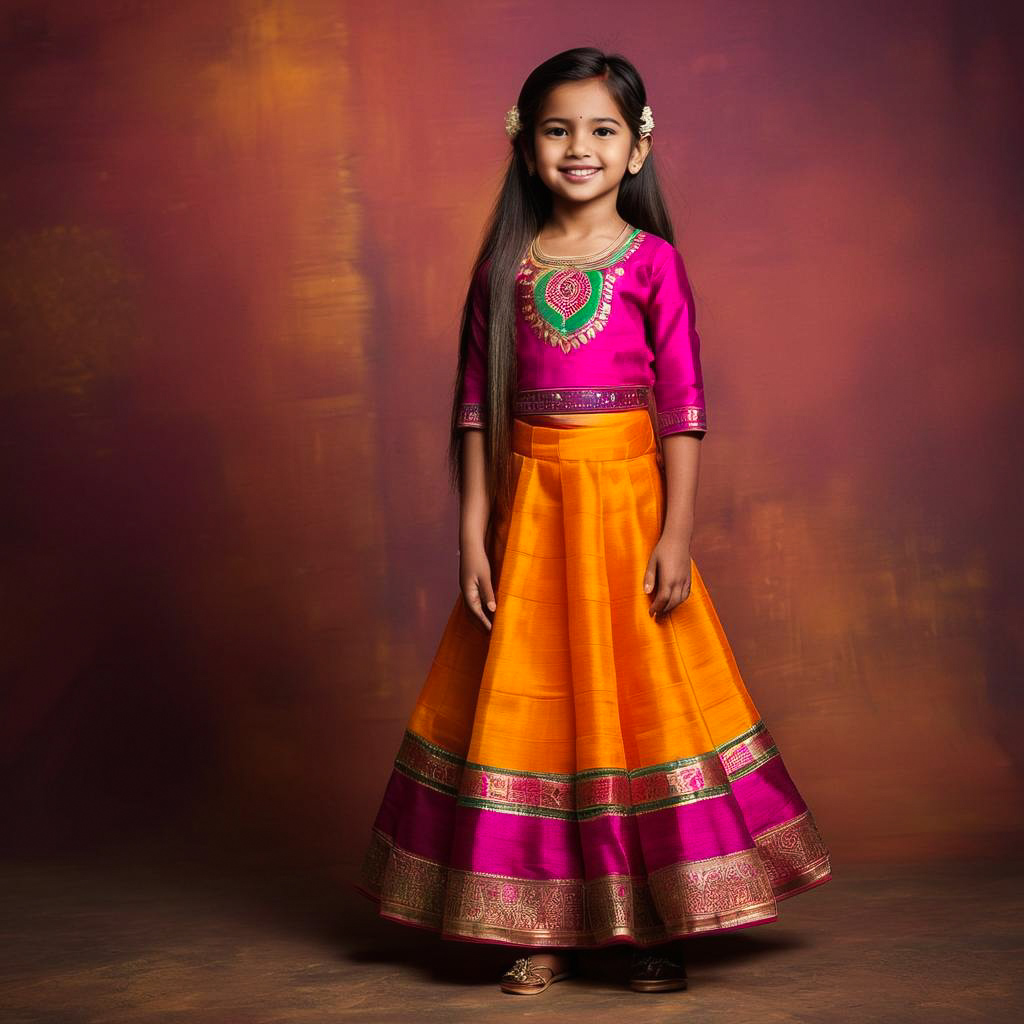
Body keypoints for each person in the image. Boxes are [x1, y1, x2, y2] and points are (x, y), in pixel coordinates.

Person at [354, 46, 832, 997]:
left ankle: (650, 926)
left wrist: (677, 534)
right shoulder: (502, 271)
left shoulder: (655, 265)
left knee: (636, 710)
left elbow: (685, 408)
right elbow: (475, 413)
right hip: (530, 517)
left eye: (603, 130)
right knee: (535, 714)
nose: (580, 147)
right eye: (558, 129)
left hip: (627, 511)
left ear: (638, 149)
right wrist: (471, 538)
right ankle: (544, 925)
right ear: (526, 147)